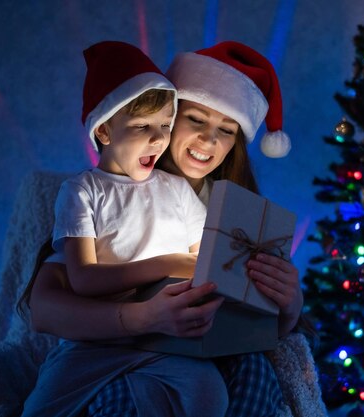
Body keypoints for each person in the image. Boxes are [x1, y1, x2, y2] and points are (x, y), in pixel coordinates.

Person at [21, 41, 302, 417]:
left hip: (200, 357)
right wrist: (145, 312)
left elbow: (254, 325)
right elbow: (48, 304)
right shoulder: (99, 192)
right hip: (116, 350)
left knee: (250, 371)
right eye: (195, 119)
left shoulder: (234, 212)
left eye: (227, 130)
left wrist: (286, 304)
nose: (209, 140)